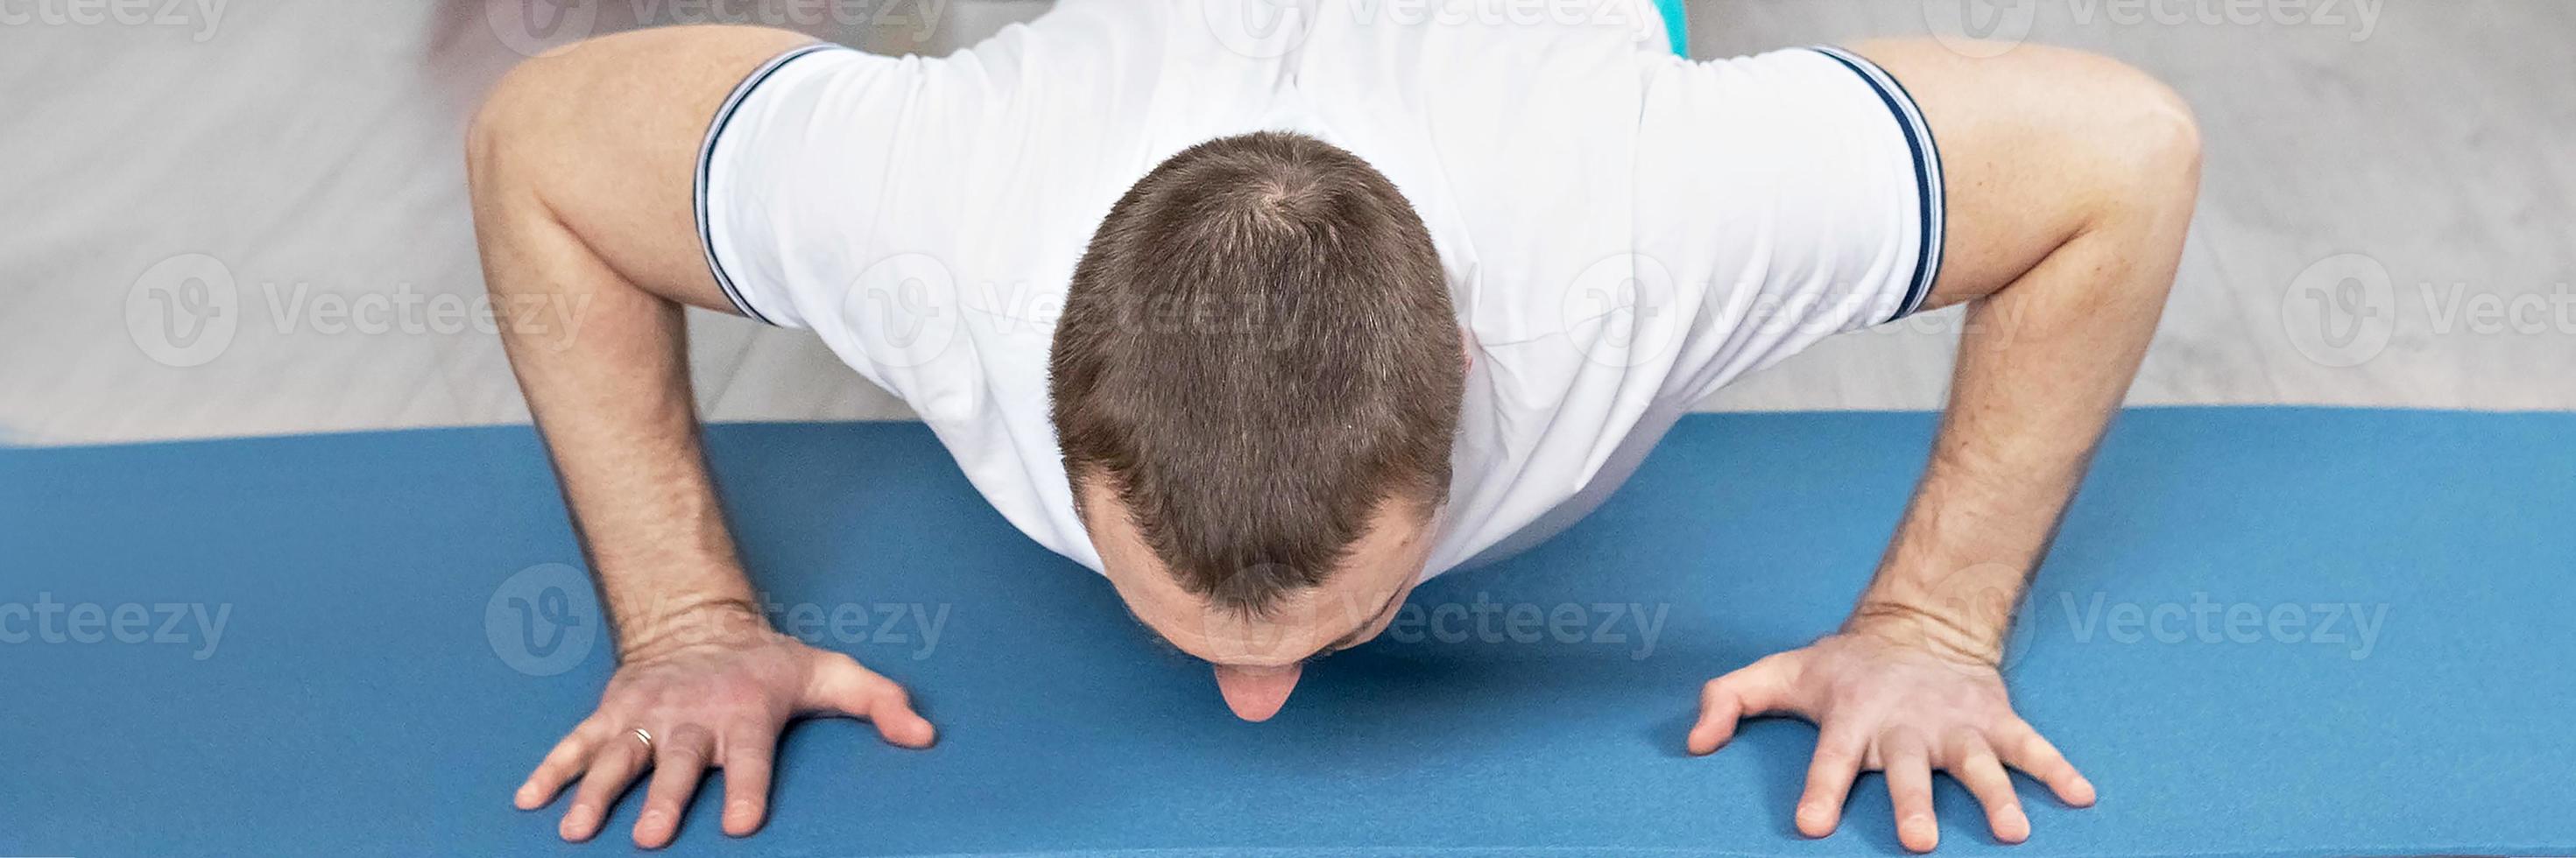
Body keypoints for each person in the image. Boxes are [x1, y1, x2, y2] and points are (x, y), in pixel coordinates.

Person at [464, 0, 2198, 851]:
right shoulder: (934, 225)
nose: (1257, 703)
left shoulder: (1639, 227)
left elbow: (2118, 158)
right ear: (1031, 359)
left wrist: (1931, 625)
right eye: (1182, 623)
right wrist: (682, 623)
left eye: (1347, 617)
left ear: (1471, 361)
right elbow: (540, 137)